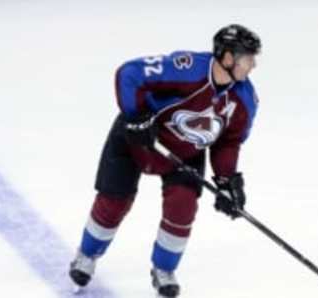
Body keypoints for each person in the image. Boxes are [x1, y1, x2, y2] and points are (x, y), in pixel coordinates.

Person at [69, 24, 261, 298]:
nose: (252, 65)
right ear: (228, 57)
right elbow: (129, 73)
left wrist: (226, 179)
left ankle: (164, 270)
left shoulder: (244, 99)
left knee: (182, 209)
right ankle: (86, 255)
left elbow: (228, 141)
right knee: (114, 202)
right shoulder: (188, 68)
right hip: (137, 141)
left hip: (184, 155)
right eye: (247, 58)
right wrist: (135, 116)